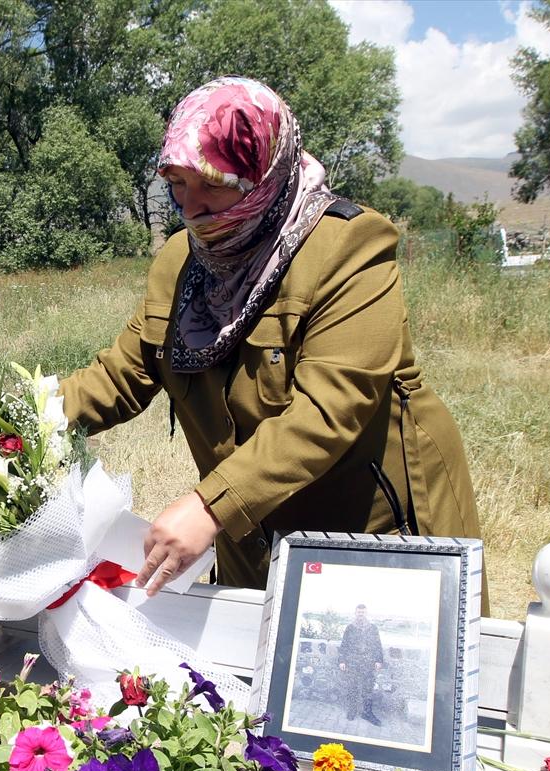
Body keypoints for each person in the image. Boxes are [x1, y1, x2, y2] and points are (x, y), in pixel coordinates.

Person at [59, 77, 484, 606]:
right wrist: (19, 424)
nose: (192, 208)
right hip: (251, 532)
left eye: (213, 185)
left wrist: (210, 506)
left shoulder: (349, 245)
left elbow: (332, 407)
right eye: (177, 184)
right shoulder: (179, 261)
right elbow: (125, 373)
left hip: (369, 529)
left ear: (262, 174)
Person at [337, 605, 384, 725]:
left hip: (368, 663)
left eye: (363, 612)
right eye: (359, 612)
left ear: (366, 613)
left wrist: (379, 660)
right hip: (352, 663)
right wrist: (342, 660)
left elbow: (377, 645)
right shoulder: (350, 628)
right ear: (355, 613)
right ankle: (352, 710)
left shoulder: (373, 628)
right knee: (352, 687)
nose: (360, 614)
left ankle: (367, 713)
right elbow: (344, 645)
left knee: (368, 689)